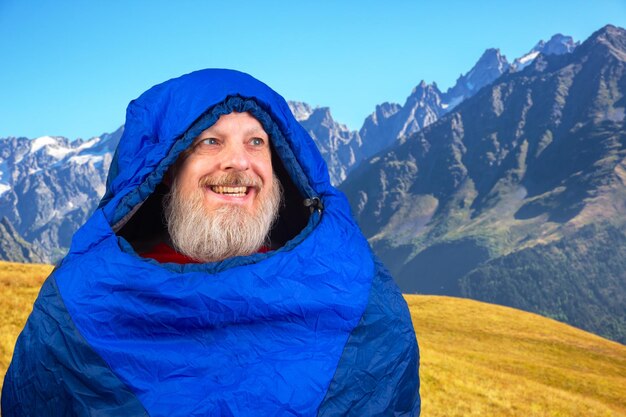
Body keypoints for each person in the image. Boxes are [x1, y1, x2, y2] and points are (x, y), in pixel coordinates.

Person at [2, 69, 420, 416]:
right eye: (210, 141)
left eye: (256, 141)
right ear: (167, 167)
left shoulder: (357, 294)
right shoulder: (77, 305)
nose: (239, 162)